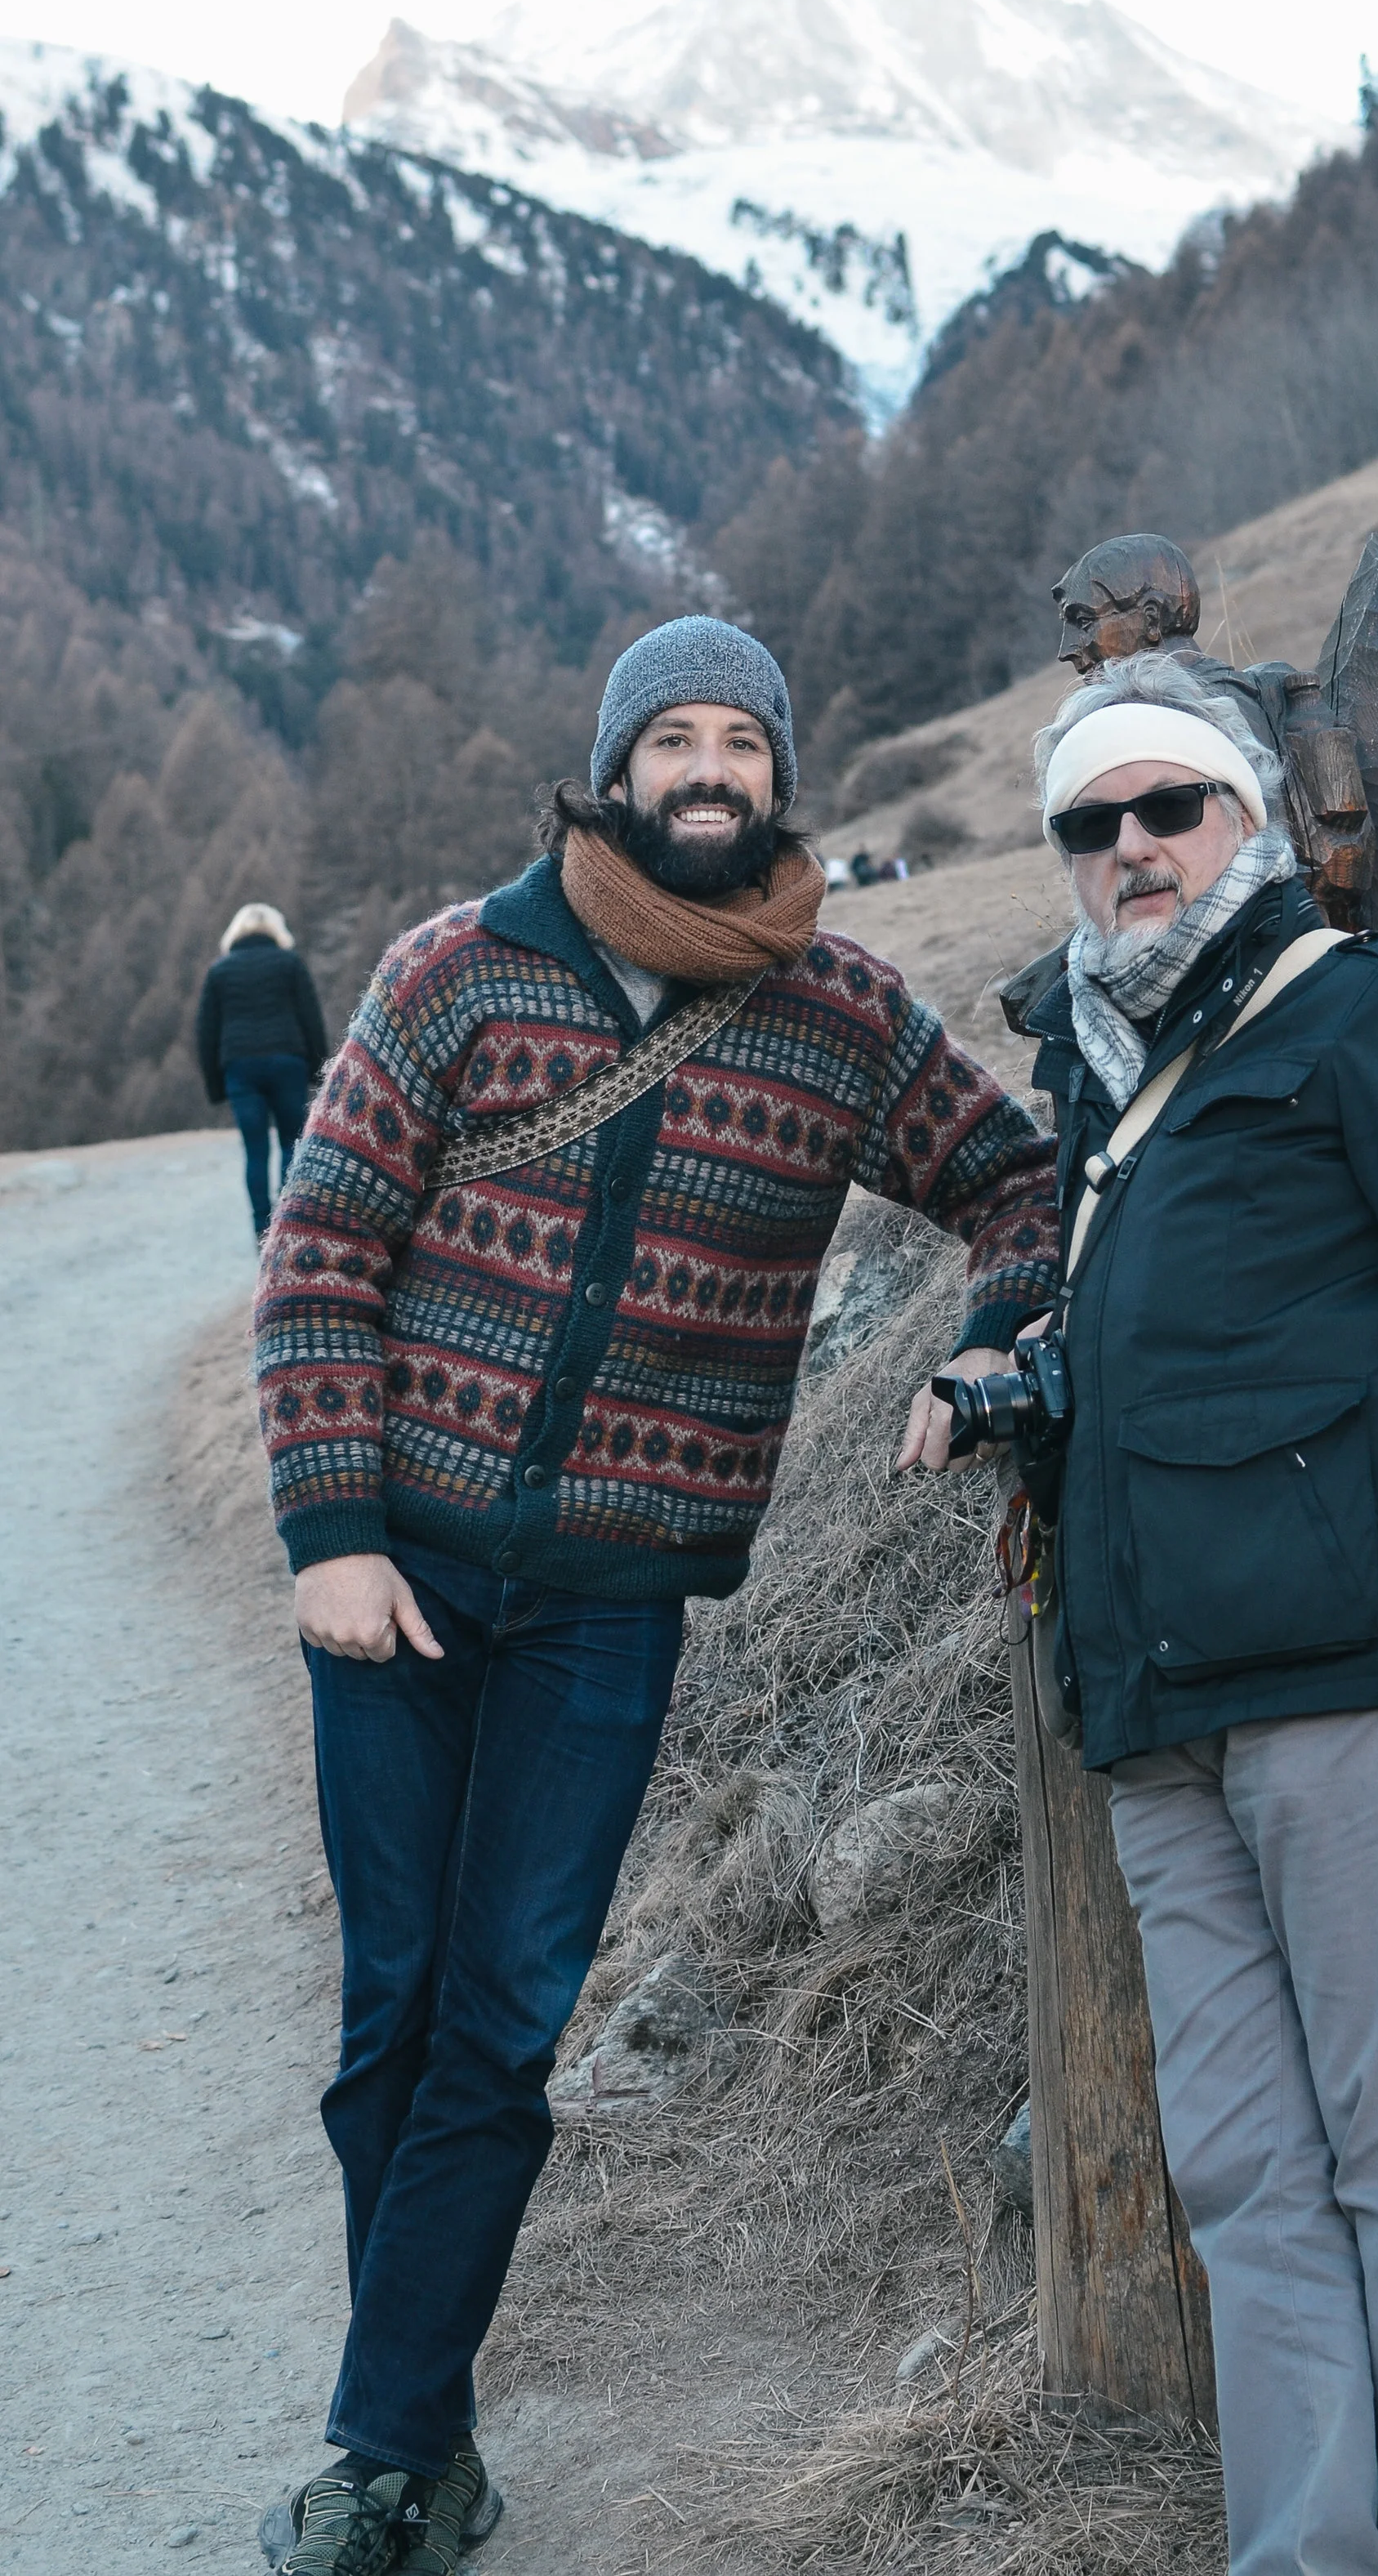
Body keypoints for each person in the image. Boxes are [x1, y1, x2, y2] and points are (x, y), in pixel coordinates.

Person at [250, 616, 1057, 2576]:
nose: (709, 772)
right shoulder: (460, 970)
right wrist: (331, 1532)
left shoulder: (842, 1015)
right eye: (672, 740)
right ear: (613, 770)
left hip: (610, 1608)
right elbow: (323, 1249)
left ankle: (378, 2450)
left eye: (742, 744)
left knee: (504, 2024)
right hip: (408, 1577)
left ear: (781, 775)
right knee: (393, 2015)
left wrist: (989, 1345)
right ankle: (415, 2433)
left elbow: (1021, 1184)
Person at [1018, 650, 1378, 2576]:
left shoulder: (1373, 1019)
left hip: (1361, 1684)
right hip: (1160, 1711)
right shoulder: (1106, 1090)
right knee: (1249, 2177)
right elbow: (1086, 1313)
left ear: (1251, 818)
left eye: (1167, 806)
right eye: (1090, 824)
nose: (1131, 849)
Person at [194, 902, 329, 1239]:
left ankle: (262, 1233)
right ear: (276, 931)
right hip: (287, 1061)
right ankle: (289, 1226)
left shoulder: (219, 971)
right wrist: (320, 1071)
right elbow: (311, 1018)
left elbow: (206, 1031)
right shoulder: (290, 964)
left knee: (255, 1150)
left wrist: (215, 1084)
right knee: (290, 1144)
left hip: (240, 1066)